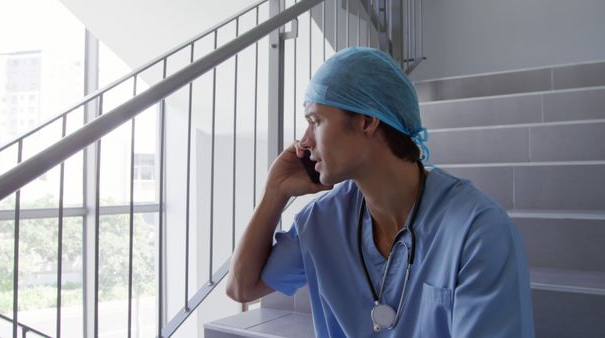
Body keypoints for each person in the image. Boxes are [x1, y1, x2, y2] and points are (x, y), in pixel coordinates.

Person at [226, 47, 535, 337]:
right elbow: (242, 288)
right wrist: (274, 192)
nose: (303, 142)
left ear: (367, 120)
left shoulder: (477, 232)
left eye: (315, 121)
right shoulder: (321, 222)